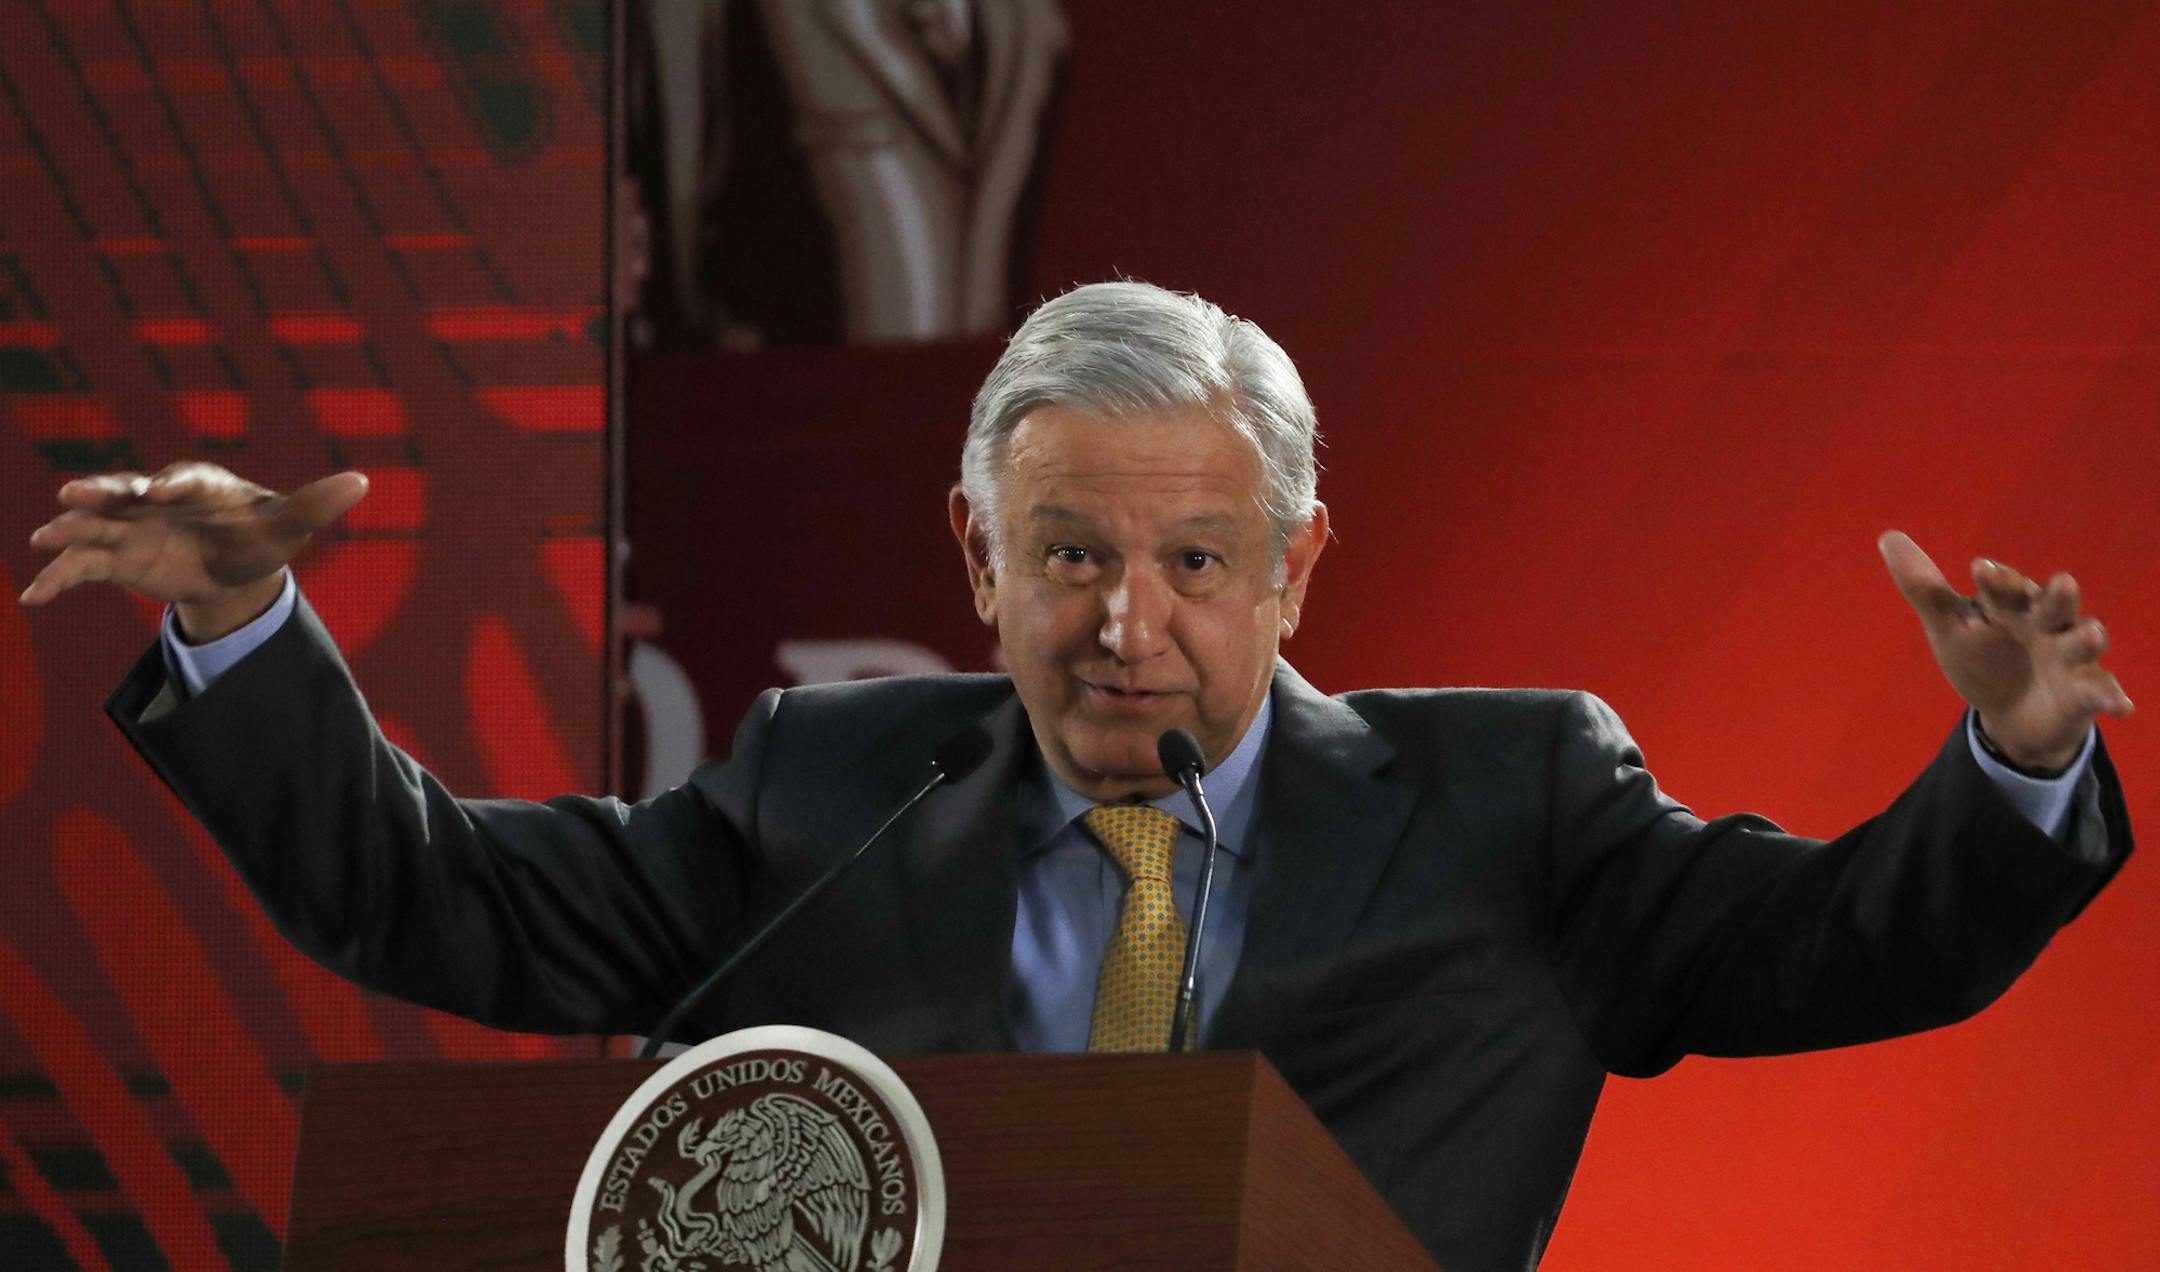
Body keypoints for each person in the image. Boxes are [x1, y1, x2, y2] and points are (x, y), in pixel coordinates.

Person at [22, 282, 2136, 1270]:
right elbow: (443, 903)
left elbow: (1848, 946)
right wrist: (241, 635)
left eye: (1195, 562)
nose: (1128, 620)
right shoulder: (822, 785)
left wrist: (2015, 761)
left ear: (1300, 565)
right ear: (976, 558)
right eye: (1069, 557)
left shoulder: (1512, 807)